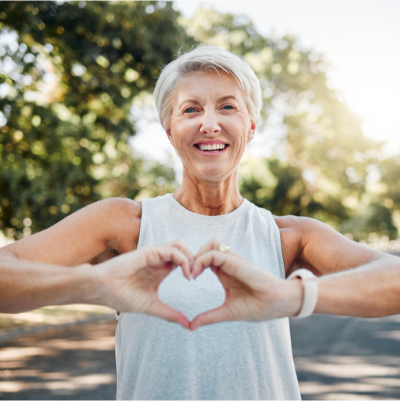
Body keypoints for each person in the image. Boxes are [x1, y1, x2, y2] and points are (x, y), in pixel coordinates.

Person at [1, 45, 400, 400]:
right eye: (191, 109)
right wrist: (94, 284)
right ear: (170, 129)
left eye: (227, 107)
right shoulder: (125, 223)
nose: (210, 123)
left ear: (250, 127)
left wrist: (289, 296)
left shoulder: (290, 236)